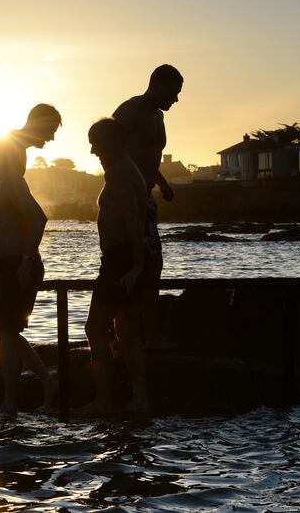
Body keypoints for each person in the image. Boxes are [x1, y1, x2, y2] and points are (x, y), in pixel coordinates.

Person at [0, 105, 62, 416]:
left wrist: (27, 259)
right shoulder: (1, 183)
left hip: (16, 264)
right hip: (7, 265)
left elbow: (38, 217)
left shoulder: (11, 180)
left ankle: (12, 403)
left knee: (6, 332)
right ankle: (44, 384)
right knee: (6, 332)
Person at [76, 118, 149, 415]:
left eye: (96, 143)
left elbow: (134, 220)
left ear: (111, 142)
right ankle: (139, 400)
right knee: (128, 333)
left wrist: (136, 265)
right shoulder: (124, 170)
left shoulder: (120, 173)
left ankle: (104, 400)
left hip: (120, 261)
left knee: (94, 328)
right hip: (121, 259)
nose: (93, 151)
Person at [112, 64, 183, 351]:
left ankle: (150, 334)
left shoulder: (157, 116)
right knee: (127, 262)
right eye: (173, 92)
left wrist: (161, 182)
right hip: (127, 198)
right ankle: (122, 336)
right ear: (158, 84)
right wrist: (121, 187)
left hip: (147, 198)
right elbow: (108, 145)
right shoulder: (132, 109)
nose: (176, 100)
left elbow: (148, 156)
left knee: (153, 264)